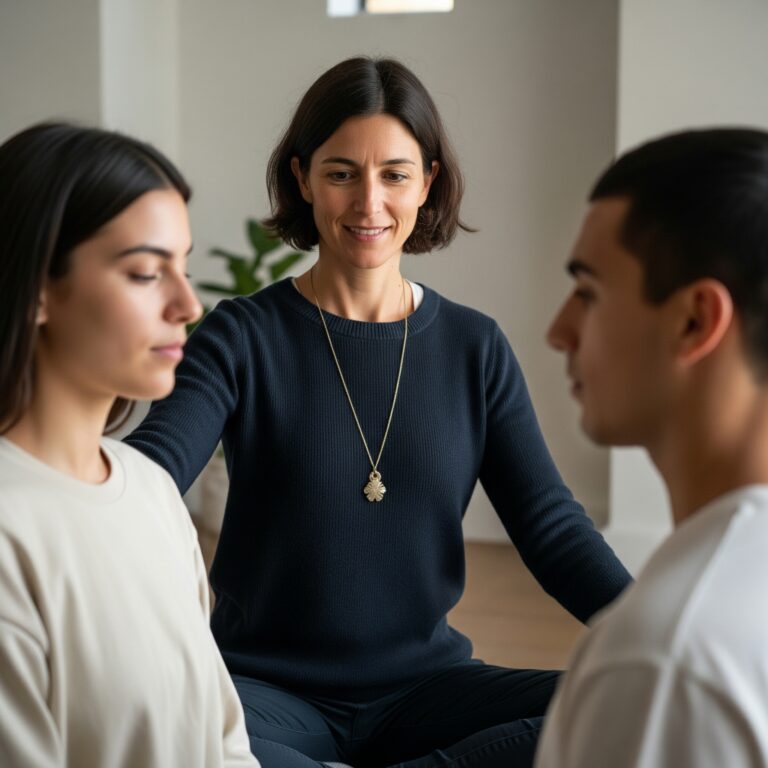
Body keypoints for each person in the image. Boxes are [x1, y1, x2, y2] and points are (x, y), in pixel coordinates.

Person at [126, 56, 630, 768]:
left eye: (394, 174)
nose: (369, 203)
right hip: (264, 691)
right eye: (341, 173)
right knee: (180, 733)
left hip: (430, 689)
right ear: (302, 179)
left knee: (629, 706)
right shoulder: (242, 336)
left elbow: (550, 527)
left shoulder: (472, 345)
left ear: (428, 182)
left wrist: (662, 634)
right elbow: (148, 478)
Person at [0, 122, 259, 767]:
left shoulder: (149, 489)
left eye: (185, 266)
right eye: (146, 273)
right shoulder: (11, 531)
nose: (189, 305)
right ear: (37, 288)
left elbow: (225, 739)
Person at [536, 128, 768, 767]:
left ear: (694, 320)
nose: (559, 332)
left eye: (589, 292)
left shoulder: (667, 659)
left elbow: (545, 523)